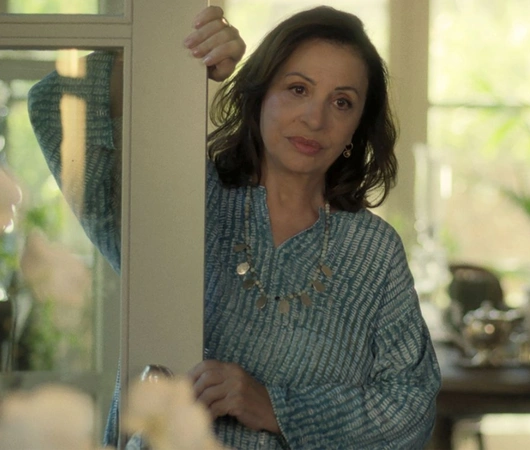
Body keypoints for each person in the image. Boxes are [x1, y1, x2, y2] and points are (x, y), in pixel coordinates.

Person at [28, 5, 441, 449]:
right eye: (297, 89)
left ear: (357, 127)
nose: (315, 118)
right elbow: (54, 102)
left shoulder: (372, 252)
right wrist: (183, 57)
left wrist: (278, 409)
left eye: (342, 102)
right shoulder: (181, 199)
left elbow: (412, 408)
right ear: (259, 93)